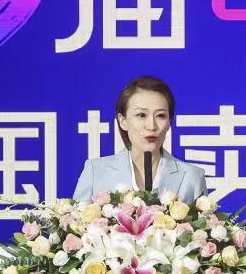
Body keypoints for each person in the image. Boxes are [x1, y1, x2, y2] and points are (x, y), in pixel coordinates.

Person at [72, 76, 208, 203]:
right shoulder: (96, 172)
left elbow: (203, 221)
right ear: (123, 121)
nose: (151, 126)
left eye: (160, 116)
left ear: (169, 123)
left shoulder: (192, 177)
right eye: (141, 115)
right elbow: (76, 220)